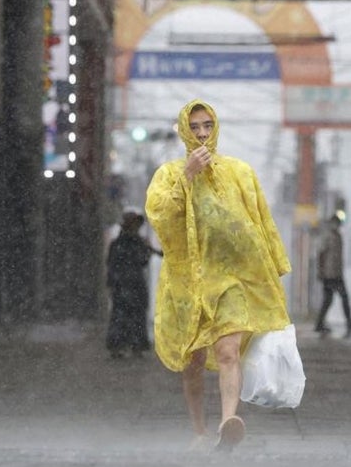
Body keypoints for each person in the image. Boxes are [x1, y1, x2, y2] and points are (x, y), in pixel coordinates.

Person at [145, 99, 292, 451]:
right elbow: (160, 215)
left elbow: (260, 220)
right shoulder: (168, 175)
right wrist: (188, 176)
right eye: (194, 127)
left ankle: (229, 420)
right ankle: (199, 429)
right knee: (193, 361)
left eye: (207, 126)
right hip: (188, 281)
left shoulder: (240, 172)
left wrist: (273, 264)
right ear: (184, 130)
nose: (201, 133)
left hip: (231, 281)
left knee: (228, 350)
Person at [105, 210, 160, 359]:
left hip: (128, 285)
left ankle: (126, 346)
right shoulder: (128, 243)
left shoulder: (126, 242)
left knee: (126, 316)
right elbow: (139, 260)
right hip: (129, 284)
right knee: (126, 316)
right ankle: (127, 346)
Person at [315, 215, 351, 337]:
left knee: (330, 300)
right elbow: (321, 254)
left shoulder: (337, 236)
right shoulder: (328, 236)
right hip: (329, 274)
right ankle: (348, 323)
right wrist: (320, 271)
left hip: (336, 273)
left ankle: (320, 324)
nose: (337, 225)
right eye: (335, 223)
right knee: (340, 298)